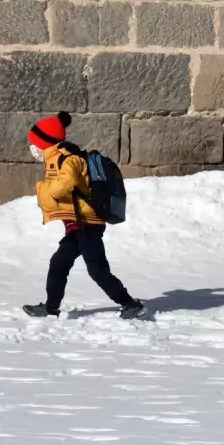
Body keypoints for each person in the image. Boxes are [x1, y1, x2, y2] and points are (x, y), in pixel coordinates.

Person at [22, 112, 147, 320]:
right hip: (79, 225)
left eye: (34, 144)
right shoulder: (58, 158)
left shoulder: (69, 159)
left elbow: (64, 184)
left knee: (97, 270)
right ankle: (51, 308)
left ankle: (130, 304)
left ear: (45, 143)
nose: (32, 148)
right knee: (59, 263)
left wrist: (42, 189)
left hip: (88, 225)